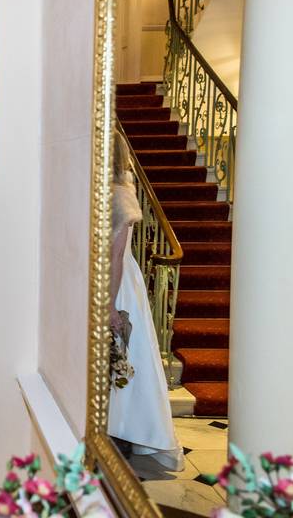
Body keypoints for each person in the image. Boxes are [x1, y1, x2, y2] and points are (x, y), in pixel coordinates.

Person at [106, 133, 185, 472]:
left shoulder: (121, 196)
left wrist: (108, 305)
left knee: (121, 354)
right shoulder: (103, 190)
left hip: (117, 282)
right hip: (104, 276)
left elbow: (116, 254)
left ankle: (124, 430)